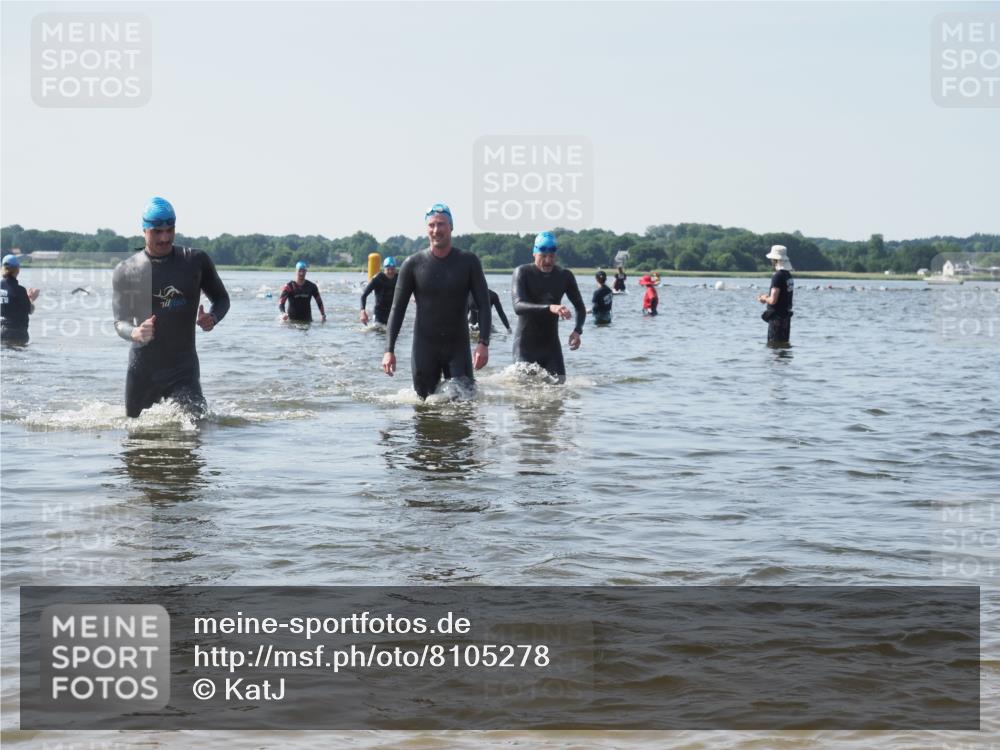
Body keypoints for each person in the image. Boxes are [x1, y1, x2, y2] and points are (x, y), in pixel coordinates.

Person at [112, 197, 230, 418]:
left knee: (195, 429)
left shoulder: (195, 261)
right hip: (142, 371)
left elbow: (222, 299)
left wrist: (212, 318)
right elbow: (120, 322)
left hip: (183, 371)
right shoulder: (126, 270)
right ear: (144, 230)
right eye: (157, 231)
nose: (165, 237)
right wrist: (135, 332)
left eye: (170, 230)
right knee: (135, 441)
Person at [382, 203, 491, 399]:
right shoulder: (412, 264)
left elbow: (484, 304)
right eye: (431, 225)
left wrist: (483, 343)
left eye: (441, 224)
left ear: (451, 227)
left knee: (463, 406)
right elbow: (397, 309)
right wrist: (389, 350)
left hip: (458, 347)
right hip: (425, 348)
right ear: (427, 229)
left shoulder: (468, 262)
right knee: (424, 408)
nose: (436, 230)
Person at [511, 231, 586, 383]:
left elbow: (580, 307)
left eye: (551, 256)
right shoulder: (522, 272)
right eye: (543, 256)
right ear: (534, 254)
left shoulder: (565, 276)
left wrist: (578, 330)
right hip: (525, 347)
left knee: (559, 389)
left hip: (551, 348)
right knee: (524, 398)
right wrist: (550, 307)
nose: (548, 261)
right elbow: (518, 306)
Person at [758, 244, 794, 344]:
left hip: (776, 319)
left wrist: (764, 298)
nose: (771, 261)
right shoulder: (788, 275)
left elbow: (773, 300)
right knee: (783, 346)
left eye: (772, 259)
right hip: (786, 317)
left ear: (775, 260)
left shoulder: (777, 276)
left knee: (774, 347)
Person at [1, 254, 40, 344]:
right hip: (17, 333)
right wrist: (31, 298)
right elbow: (30, 310)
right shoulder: (20, 290)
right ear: (18, 270)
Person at [360, 256, 398, 326]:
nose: (390, 272)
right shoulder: (377, 279)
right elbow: (363, 295)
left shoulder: (398, 278)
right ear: (384, 269)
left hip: (393, 313)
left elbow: (410, 288)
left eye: (393, 269)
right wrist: (363, 311)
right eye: (388, 269)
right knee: (377, 332)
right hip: (379, 313)